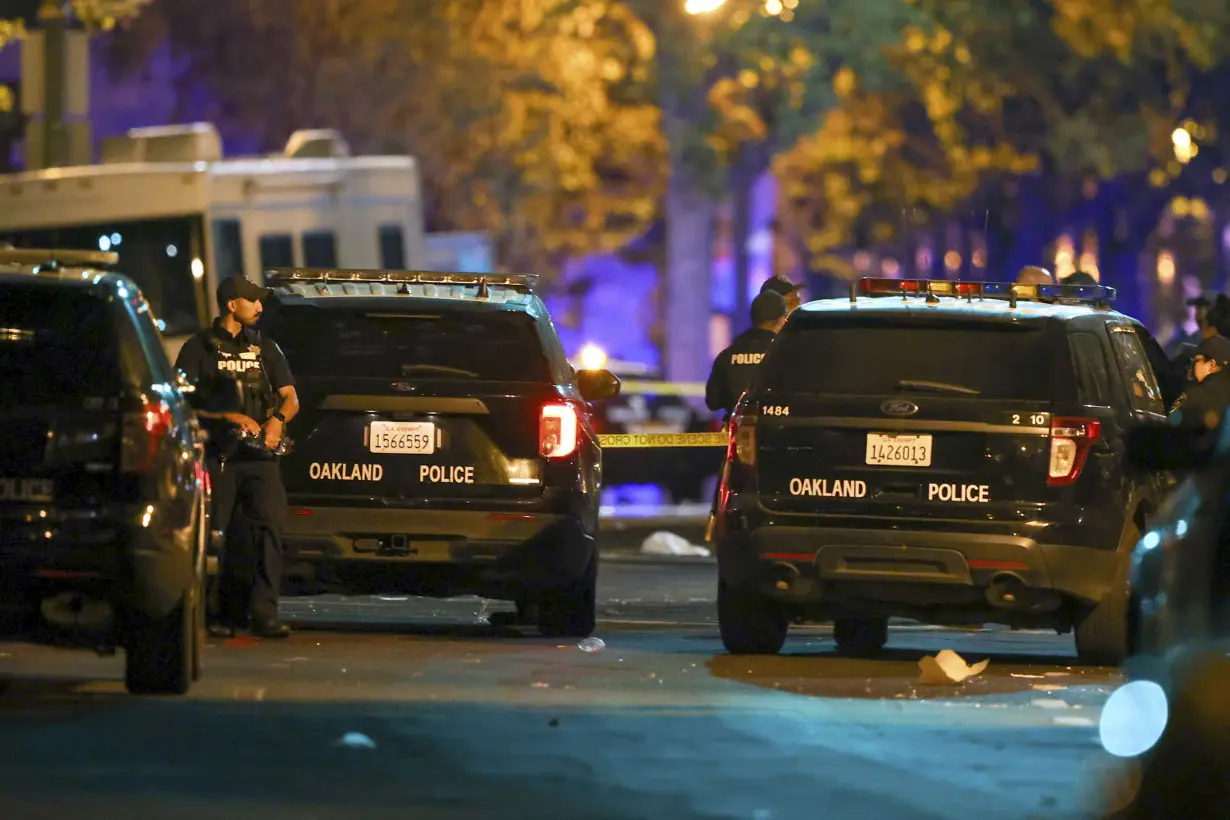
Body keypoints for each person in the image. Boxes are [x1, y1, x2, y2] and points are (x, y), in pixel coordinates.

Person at [175, 276, 300, 639]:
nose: (260, 308)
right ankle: (214, 614)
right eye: (253, 301)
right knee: (214, 537)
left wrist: (276, 421)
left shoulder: (265, 347)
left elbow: (291, 397)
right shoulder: (198, 348)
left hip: (260, 458)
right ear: (232, 304)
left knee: (269, 531)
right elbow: (181, 405)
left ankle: (265, 614)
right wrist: (226, 418)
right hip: (219, 457)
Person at [705, 290, 789, 421]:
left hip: (738, 434)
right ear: (782, 320)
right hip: (777, 434)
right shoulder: (787, 356)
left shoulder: (727, 356)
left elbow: (713, 402)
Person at [1169, 334, 1230, 430]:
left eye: (1196, 361)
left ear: (1211, 365)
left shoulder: (1198, 397)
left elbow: (1172, 426)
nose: (1192, 366)